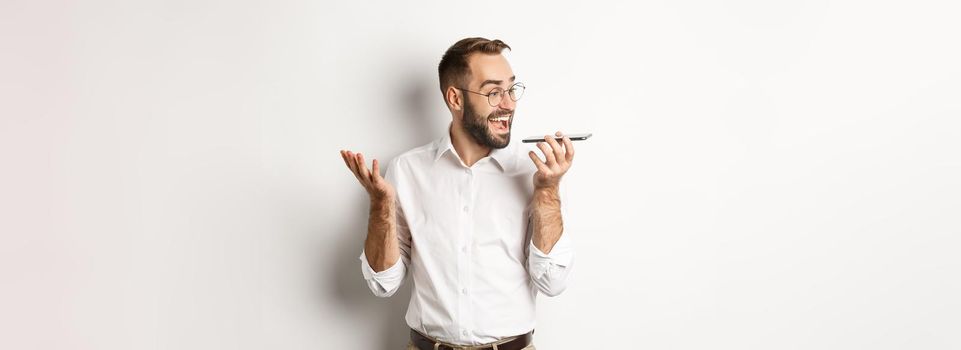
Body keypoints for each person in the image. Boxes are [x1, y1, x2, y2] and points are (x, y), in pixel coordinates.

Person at [340, 37, 575, 350]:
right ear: (455, 98)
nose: (508, 103)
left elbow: (553, 282)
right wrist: (381, 207)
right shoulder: (408, 170)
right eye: (493, 92)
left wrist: (547, 191)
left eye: (511, 89)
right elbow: (383, 284)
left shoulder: (535, 171)